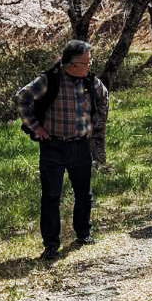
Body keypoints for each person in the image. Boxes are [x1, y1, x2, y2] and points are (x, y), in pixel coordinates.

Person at [16, 40, 110, 261]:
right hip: (53, 146)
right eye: (86, 62)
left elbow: (104, 98)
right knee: (51, 196)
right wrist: (35, 126)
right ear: (72, 64)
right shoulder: (50, 79)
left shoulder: (90, 81)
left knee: (84, 194)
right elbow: (22, 97)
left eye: (90, 61)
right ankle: (51, 244)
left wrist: (96, 124)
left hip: (80, 145)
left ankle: (83, 233)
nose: (89, 65)